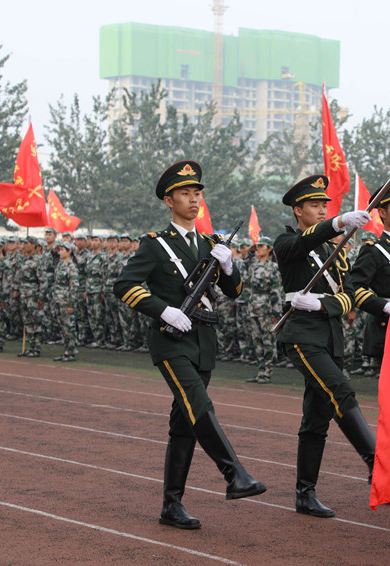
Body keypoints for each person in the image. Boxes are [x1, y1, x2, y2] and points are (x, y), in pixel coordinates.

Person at [113, 160, 266, 530]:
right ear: (169, 200)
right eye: (185, 193)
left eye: (197, 193)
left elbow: (235, 291)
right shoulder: (155, 245)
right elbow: (124, 285)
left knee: (184, 423)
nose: (194, 199)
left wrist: (229, 267)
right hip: (171, 342)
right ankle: (235, 474)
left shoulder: (211, 245)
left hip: (203, 342)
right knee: (198, 403)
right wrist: (163, 310)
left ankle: (171, 505)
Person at [273, 174, 390, 519]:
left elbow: (351, 294)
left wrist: (324, 305)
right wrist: (337, 223)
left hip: (330, 336)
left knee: (316, 419)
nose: (322, 210)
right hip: (302, 336)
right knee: (341, 391)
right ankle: (378, 466)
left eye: (326, 205)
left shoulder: (334, 251)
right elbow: (303, 242)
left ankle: (305, 494)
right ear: (298, 210)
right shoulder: (287, 242)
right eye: (315, 205)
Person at [351, 178, 390, 378]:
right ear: (383, 213)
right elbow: (354, 288)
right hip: (389, 328)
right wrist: (386, 307)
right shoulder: (374, 250)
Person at [245, 236, 282, 383]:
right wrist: (250, 250)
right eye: (257, 246)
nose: (258, 248)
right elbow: (245, 261)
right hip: (254, 306)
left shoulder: (273, 267)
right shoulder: (254, 264)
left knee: (268, 341)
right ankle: (260, 371)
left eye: (262, 246)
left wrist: (276, 312)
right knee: (256, 340)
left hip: (267, 307)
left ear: (269, 249)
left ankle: (267, 371)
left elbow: (276, 291)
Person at [53, 241, 80, 362]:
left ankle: (71, 351)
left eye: (63, 250)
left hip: (66, 300)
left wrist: (71, 304)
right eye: (60, 250)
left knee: (69, 326)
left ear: (70, 252)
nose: (60, 252)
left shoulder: (72, 267)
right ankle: (66, 350)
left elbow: (74, 287)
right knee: (62, 327)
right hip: (58, 298)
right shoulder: (60, 264)